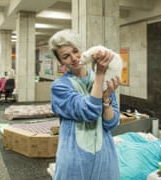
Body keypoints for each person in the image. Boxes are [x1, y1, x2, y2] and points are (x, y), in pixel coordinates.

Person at [49, 29, 121, 180]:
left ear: (83, 50)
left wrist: (106, 100)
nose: (74, 58)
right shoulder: (59, 87)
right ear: (60, 61)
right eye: (66, 56)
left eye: (76, 51)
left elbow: (111, 124)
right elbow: (89, 111)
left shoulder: (102, 79)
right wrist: (100, 74)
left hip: (105, 156)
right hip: (74, 159)